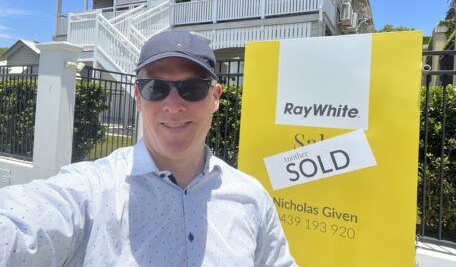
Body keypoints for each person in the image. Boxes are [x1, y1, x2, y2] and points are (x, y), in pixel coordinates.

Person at [0, 30, 297, 267]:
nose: (173, 104)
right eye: (156, 87)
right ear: (139, 98)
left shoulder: (253, 198)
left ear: (216, 97)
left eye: (191, 88)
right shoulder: (93, 191)